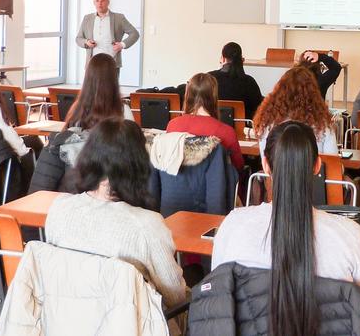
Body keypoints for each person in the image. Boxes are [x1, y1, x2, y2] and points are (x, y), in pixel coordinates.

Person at [211, 121, 360, 319]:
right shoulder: (351, 236)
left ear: (265, 165)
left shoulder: (232, 226)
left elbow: (219, 294)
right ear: (317, 165)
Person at [43, 118, 188, 308]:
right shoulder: (147, 226)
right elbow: (175, 298)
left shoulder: (58, 210)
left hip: (65, 322)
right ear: (138, 166)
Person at [29, 54, 132, 193]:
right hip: (109, 180)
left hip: (73, 181)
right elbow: (133, 148)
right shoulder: (123, 110)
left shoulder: (77, 109)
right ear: (115, 78)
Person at [166, 73, 244, 171]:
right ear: (214, 97)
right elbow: (238, 167)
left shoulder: (173, 126)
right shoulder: (227, 132)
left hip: (176, 185)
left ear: (188, 95)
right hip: (214, 185)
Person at [253, 67, 338, 155]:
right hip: (311, 168)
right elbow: (332, 161)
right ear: (313, 94)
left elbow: (265, 159)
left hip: (276, 168)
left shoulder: (267, 122)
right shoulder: (321, 125)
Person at [74, 0, 140, 75]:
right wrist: (86, 42)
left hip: (112, 62)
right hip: (92, 63)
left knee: (111, 88)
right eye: (97, 0)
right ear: (94, 2)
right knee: (92, 88)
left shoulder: (119, 18)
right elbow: (78, 38)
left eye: (103, 0)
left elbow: (135, 34)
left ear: (108, 2)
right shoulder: (87, 18)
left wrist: (122, 45)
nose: (100, 3)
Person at [207, 42, 264, 119]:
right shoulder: (249, 82)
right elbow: (259, 109)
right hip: (242, 129)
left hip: (213, 125)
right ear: (242, 60)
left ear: (223, 59)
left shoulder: (209, 78)